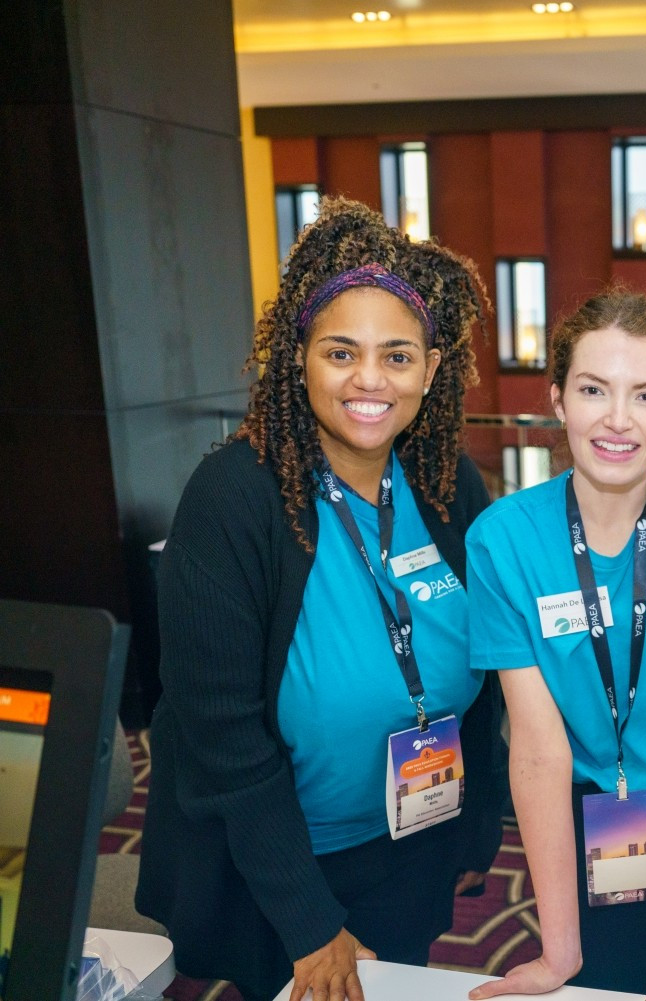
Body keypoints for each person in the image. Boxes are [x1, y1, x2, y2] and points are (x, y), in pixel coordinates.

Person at [137, 197, 505, 1001]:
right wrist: (309, 921)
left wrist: (473, 822)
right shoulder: (234, 498)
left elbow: (491, 664)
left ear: (431, 371)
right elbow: (221, 739)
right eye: (342, 351)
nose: (370, 379)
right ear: (297, 354)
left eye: (398, 356)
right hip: (276, 869)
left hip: (413, 841)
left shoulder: (448, 486)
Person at [465, 288, 646, 998]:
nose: (619, 420)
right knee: (610, 984)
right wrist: (560, 948)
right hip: (583, 817)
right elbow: (536, 746)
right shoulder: (503, 540)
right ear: (558, 398)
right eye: (594, 389)